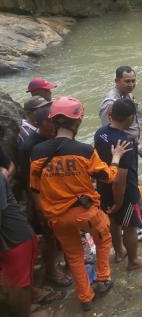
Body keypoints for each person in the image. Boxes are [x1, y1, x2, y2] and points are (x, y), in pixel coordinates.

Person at [29, 96, 131, 310]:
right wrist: (116, 157)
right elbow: (108, 176)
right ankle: (103, 279)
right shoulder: (84, 151)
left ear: (54, 121)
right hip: (86, 212)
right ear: (77, 122)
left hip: (57, 216)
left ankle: (85, 298)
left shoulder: (37, 153)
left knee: (74, 255)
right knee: (103, 239)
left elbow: (35, 188)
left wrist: (45, 214)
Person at [17, 104, 73, 287]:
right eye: (49, 122)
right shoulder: (29, 147)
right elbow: (29, 183)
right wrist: (40, 209)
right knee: (49, 235)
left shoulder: (56, 138)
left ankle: (70, 259)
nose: (54, 126)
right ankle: (51, 271)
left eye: (55, 121)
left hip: (61, 192)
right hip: (43, 197)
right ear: (39, 123)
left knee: (68, 229)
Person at [94, 99, 142, 271]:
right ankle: (133, 260)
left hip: (103, 186)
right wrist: (119, 202)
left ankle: (119, 251)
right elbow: (120, 179)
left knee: (113, 220)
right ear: (131, 117)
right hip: (125, 192)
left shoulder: (100, 133)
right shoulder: (125, 144)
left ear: (111, 114)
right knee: (131, 225)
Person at [0, 174, 53, 317]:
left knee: (21, 281)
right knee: (19, 284)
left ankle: (29, 300)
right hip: (12, 241)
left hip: (14, 238)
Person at [99, 66, 140, 141]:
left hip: (132, 141)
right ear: (117, 81)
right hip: (122, 145)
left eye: (133, 81)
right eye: (127, 81)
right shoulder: (110, 103)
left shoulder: (128, 94)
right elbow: (107, 130)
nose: (131, 85)